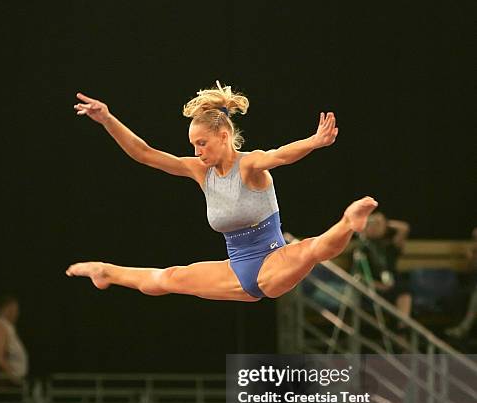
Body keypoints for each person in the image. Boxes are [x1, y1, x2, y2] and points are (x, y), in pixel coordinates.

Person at [66, 82, 378, 301]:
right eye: (193, 145)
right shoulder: (200, 171)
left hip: (273, 260)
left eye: (202, 143)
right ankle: (105, 272)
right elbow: (145, 153)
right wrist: (107, 119)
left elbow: (280, 154)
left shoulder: (249, 166)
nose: (196, 151)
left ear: (224, 136)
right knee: (168, 279)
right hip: (235, 269)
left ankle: (350, 222)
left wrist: (313, 141)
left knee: (312, 249)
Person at [353, 212, 412, 324]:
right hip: (372, 288)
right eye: (373, 224)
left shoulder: (389, 247)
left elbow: (404, 228)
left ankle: (402, 329)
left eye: (379, 225)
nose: (376, 227)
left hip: (391, 286)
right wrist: (378, 285)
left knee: (404, 293)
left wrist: (385, 223)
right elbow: (357, 276)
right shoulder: (361, 249)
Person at [446, 227, 477, 339]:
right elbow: (470, 270)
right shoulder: (473, 253)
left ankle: (464, 328)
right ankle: (463, 329)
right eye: (474, 239)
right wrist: (471, 258)